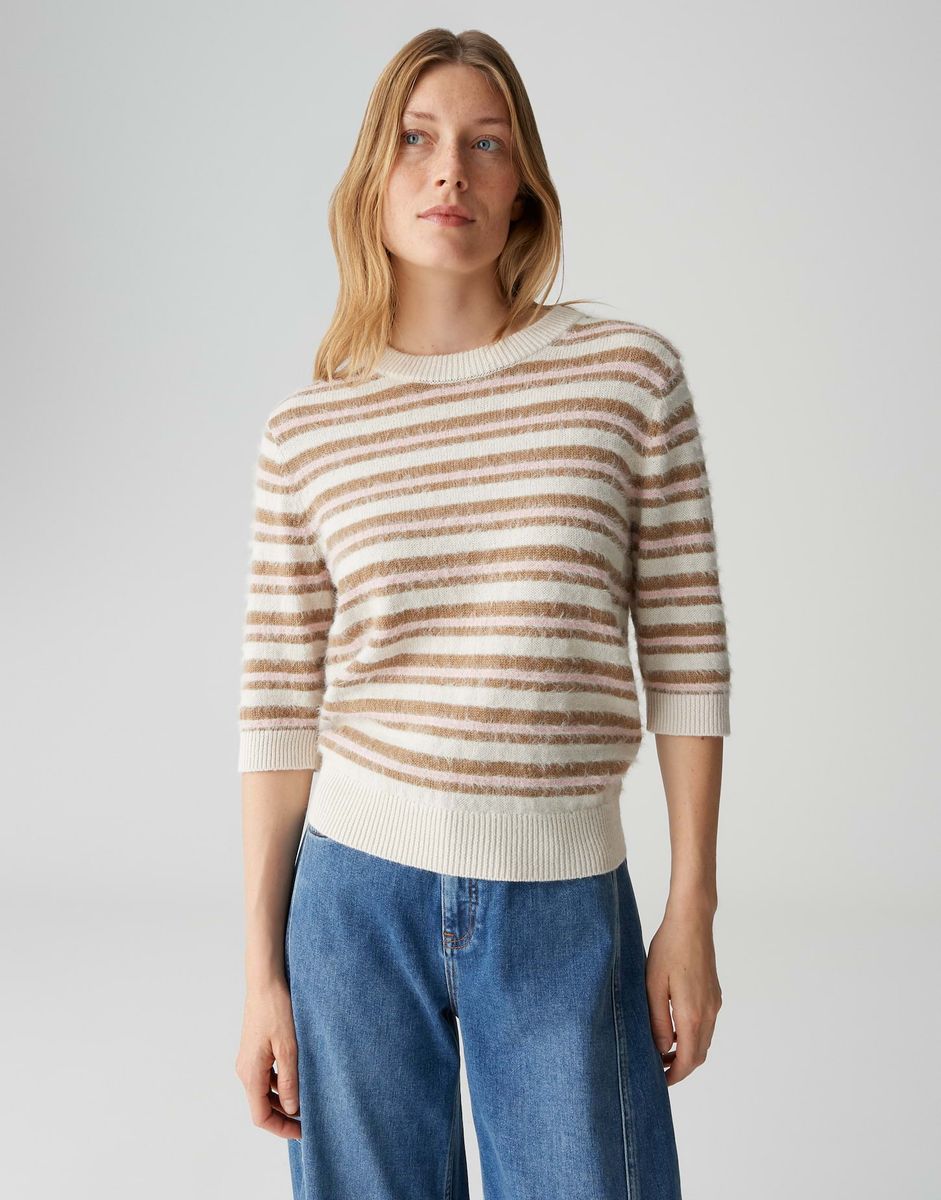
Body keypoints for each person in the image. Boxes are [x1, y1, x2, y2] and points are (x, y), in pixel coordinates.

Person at [235, 27, 731, 1200]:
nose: (449, 169)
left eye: (485, 143)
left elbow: (688, 655)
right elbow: (275, 718)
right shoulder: (307, 434)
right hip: (352, 904)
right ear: (372, 181)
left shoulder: (624, 379)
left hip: (563, 902)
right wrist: (260, 973)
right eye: (415, 140)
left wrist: (690, 906)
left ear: (523, 189)